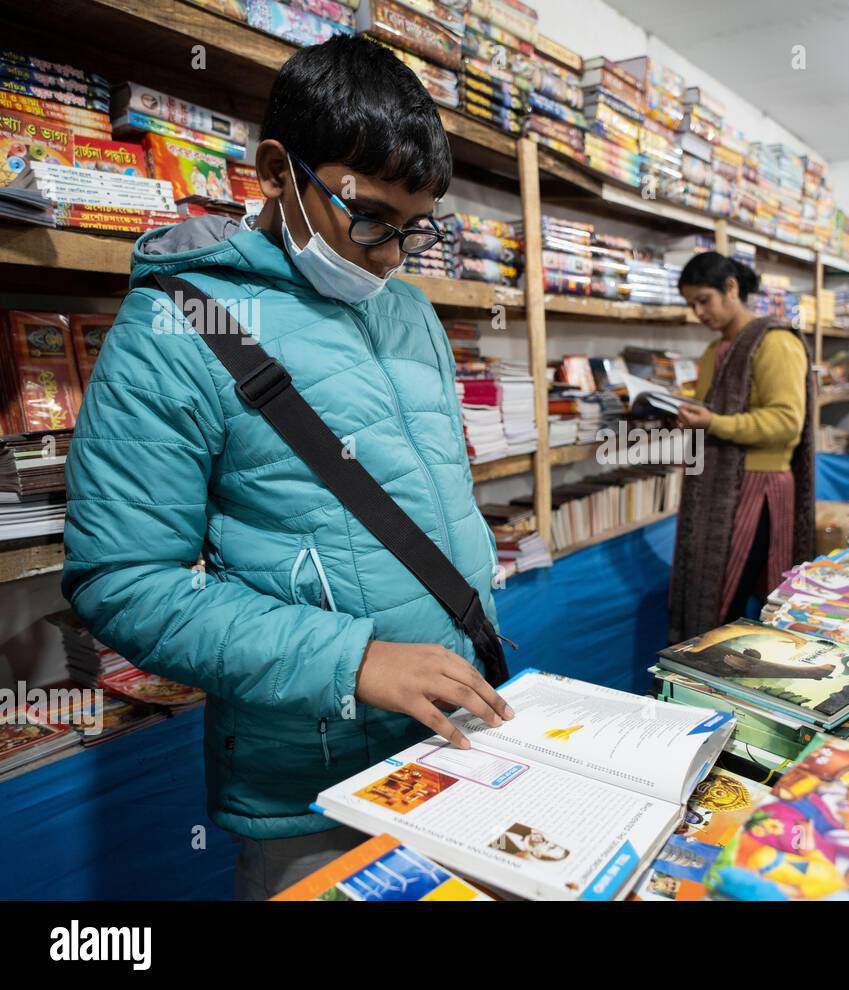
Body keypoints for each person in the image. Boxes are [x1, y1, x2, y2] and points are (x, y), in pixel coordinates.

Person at [60, 36, 513, 900]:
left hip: (456, 732)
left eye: (415, 229)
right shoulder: (175, 332)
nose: (391, 256)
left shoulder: (410, 312)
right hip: (312, 776)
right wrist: (352, 660)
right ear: (275, 171)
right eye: (371, 216)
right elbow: (121, 580)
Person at [669, 252, 816, 642]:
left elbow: (786, 424)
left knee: (736, 601)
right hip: (713, 490)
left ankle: (733, 683)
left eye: (704, 300)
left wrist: (713, 422)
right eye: (691, 305)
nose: (699, 312)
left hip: (759, 490)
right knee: (709, 598)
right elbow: (708, 411)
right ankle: (699, 679)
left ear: (731, 288)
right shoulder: (714, 351)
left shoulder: (777, 343)